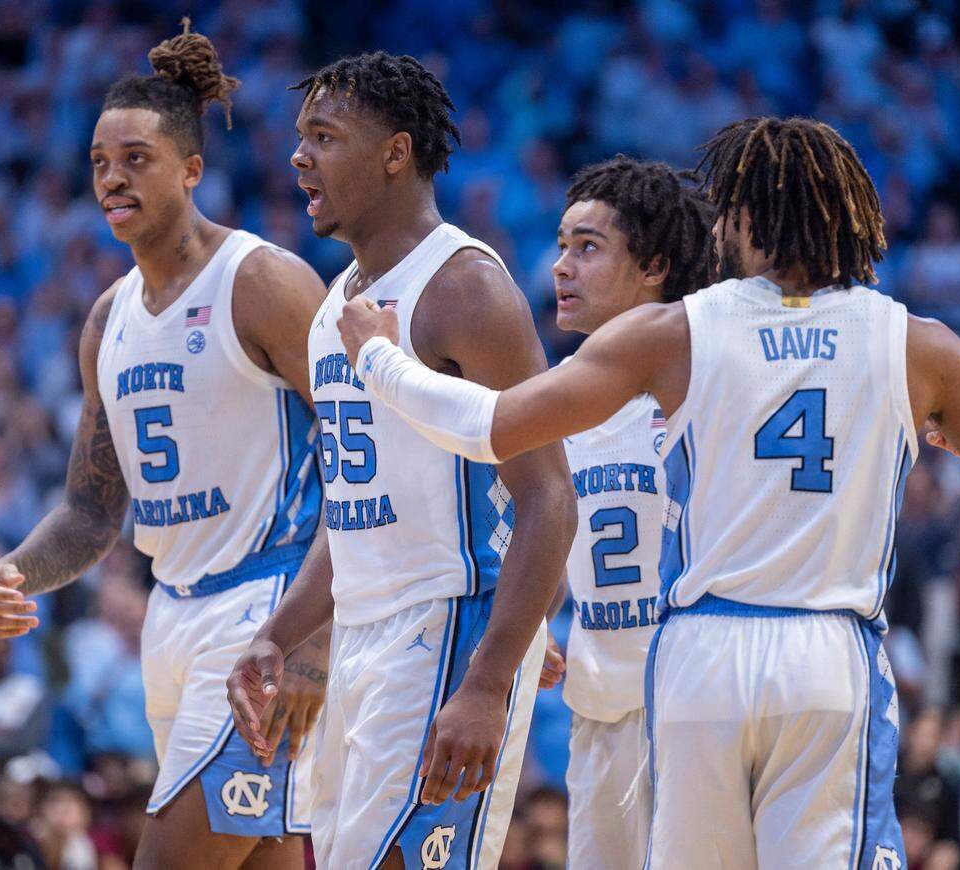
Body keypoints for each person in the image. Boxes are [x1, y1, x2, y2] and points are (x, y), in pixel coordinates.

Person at [339, 115, 960, 868]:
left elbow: (491, 423)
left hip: (699, 658)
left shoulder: (676, 330)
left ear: (743, 218)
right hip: (827, 653)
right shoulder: (921, 345)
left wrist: (382, 360)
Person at [0, 21, 327, 869]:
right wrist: (14, 571)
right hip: (169, 621)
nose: (111, 178)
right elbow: (92, 511)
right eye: (99, 161)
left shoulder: (263, 282)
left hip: (263, 612)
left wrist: (314, 632)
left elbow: (367, 451)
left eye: (136, 158)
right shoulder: (107, 320)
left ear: (192, 170)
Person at [227, 52, 575, 869]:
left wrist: (490, 679)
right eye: (299, 136)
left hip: (451, 625)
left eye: (324, 135)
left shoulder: (464, 288)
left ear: (396, 153)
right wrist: (280, 633)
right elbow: (350, 513)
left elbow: (549, 497)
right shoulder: (334, 306)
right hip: (361, 638)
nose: (298, 156)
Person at [546, 156, 713, 868]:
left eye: (587, 248)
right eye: (560, 245)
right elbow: (530, 526)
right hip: (600, 708)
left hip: (698, 710)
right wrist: (528, 628)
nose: (560, 267)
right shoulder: (559, 390)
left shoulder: (708, 377)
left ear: (653, 267)